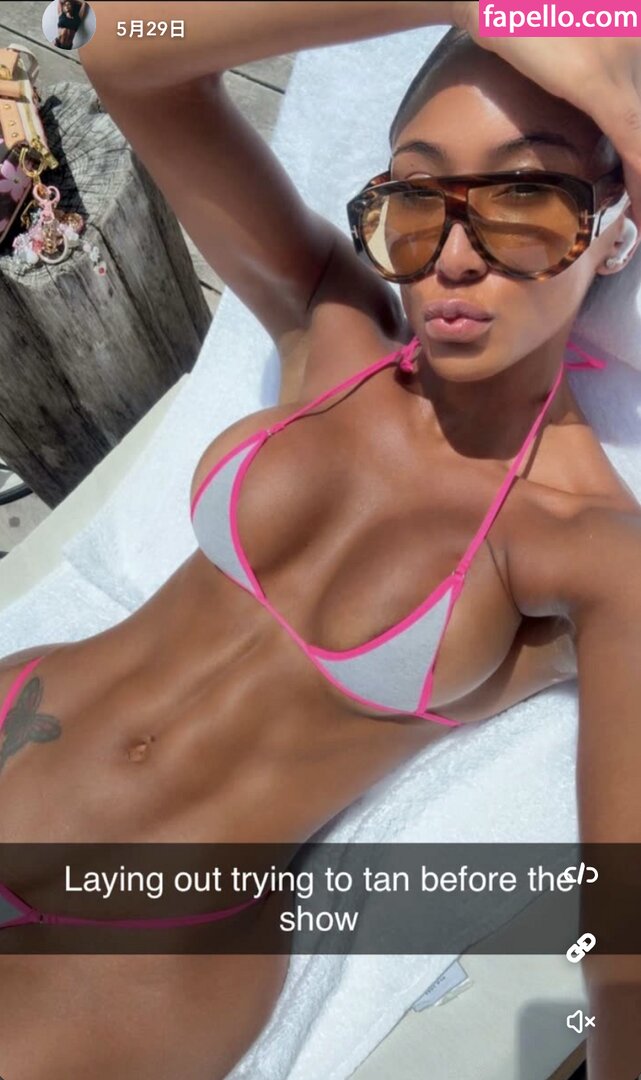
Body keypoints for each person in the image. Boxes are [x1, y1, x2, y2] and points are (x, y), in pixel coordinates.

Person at [0, 2, 639, 1077]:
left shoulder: (592, 551)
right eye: (414, 199)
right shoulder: (328, 327)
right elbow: (127, 51)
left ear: (614, 230)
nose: (452, 256)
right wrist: (469, 3)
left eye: (524, 199)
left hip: (133, 949)